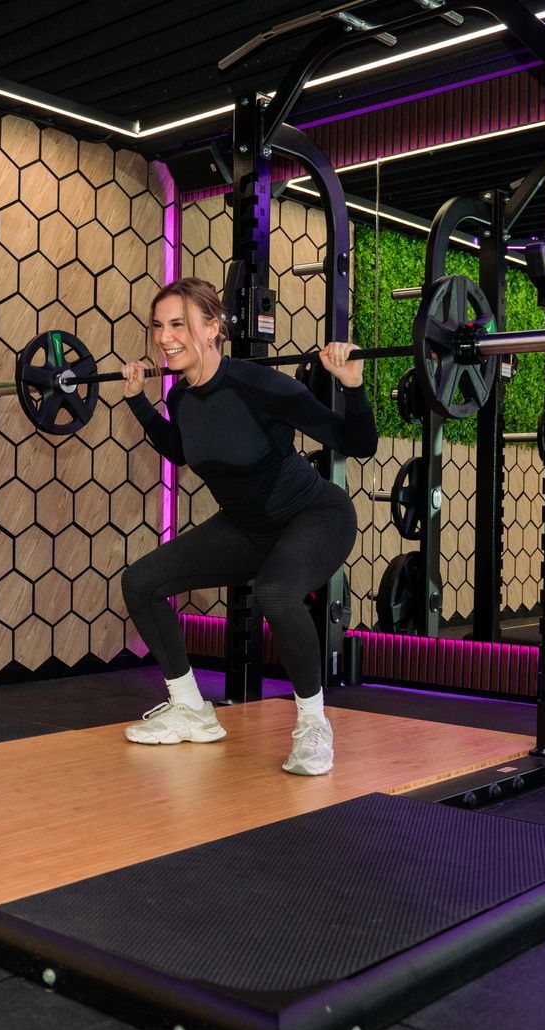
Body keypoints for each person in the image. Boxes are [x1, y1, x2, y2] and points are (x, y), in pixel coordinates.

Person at [117, 277, 378, 776]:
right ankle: (190, 709)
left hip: (314, 515)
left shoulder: (261, 385)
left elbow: (358, 443)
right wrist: (138, 402)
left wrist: (352, 385)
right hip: (245, 527)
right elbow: (179, 451)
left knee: (276, 593)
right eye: (158, 326)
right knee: (141, 581)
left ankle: (314, 724)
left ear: (212, 328)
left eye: (178, 324)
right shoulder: (181, 398)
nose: (164, 338)